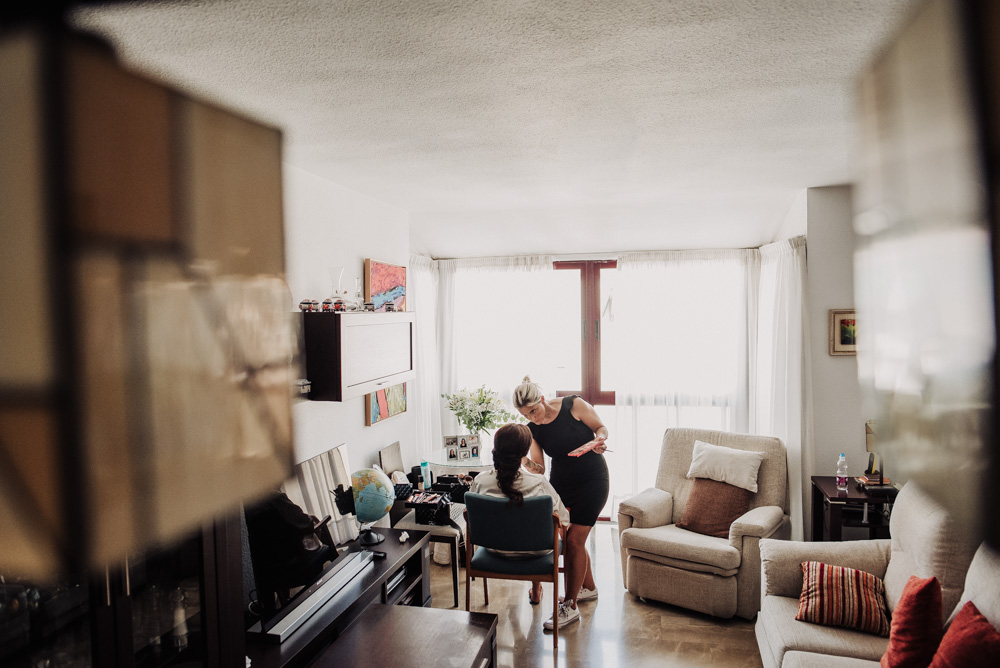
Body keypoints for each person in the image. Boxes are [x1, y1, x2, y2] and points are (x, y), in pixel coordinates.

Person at [513, 376, 609, 631]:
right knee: (569, 540)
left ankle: (570, 605)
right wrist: (523, 460)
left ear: (542, 400)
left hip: (593, 480)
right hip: (561, 485)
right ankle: (588, 588)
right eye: (526, 415)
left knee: (575, 540)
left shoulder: (572, 405)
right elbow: (540, 468)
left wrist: (599, 440)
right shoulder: (533, 429)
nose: (532, 418)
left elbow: (601, 428)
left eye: (533, 411)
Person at [471, 423, 570, 607]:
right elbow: (564, 519)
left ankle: (536, 590)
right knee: (537, 527)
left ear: (496, 449)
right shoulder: (538, 483)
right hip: (536, 552)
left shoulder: (481, 481)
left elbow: (472, 516)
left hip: (495, 549)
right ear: (524, 453)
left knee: (521, 527)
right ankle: (537, 590)